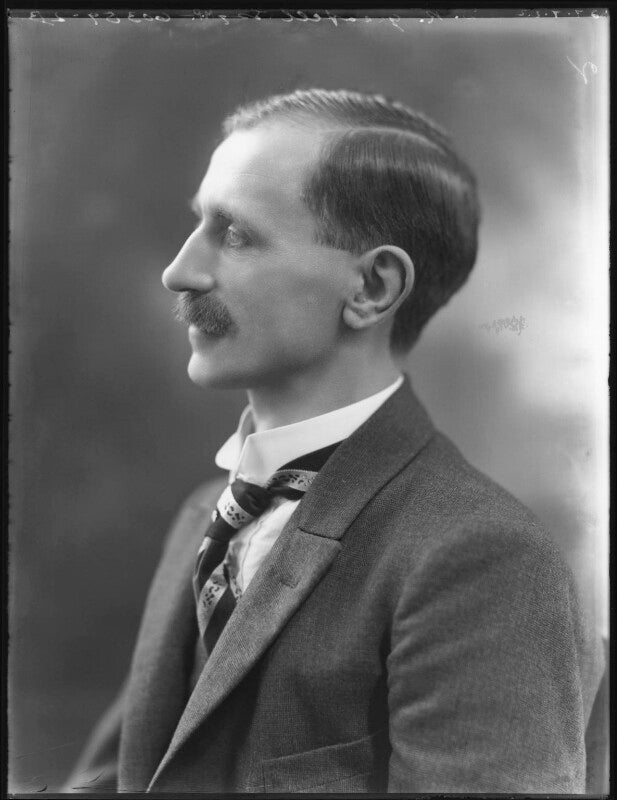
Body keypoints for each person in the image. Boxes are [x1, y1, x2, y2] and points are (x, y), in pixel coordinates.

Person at [65, 88, 604, 794]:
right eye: (200, 223)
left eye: (236, 234)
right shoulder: (206, 514)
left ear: (373, 288)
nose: (180, 271)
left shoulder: (481, 558)